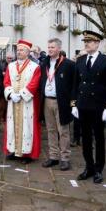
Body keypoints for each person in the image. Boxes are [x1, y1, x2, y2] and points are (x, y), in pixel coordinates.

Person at [72, 30, 106, 184]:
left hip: (98, 106)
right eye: (85, 42)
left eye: (89, 42)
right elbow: (75, 84)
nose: (86, 44)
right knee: (85, 138)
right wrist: (74, 104)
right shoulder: (81, 60)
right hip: (83, 105)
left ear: (97, 43)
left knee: (99, 138)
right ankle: (88, 167)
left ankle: (98, 169)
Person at [40, 38, 76, 171]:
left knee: (63, 131)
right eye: (49, 47)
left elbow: (74, 85)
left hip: (62, 102)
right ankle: (53, 156)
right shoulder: (44, 63)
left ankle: (65, 158)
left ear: (59, 49)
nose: (50, 49)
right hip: (47, 101)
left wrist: (73, 103)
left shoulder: (69, 64)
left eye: (53, 47)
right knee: (50, 130)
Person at [3, 39, 41, 163]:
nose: (19, 52)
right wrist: (11, 94)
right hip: (13, 101)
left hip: (27, 102)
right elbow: (6, 81)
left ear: (28, 52)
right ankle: (13, 151)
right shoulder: (11, 66)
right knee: (12, 125)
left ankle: (26, 154)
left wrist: (22, 94)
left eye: (22, 50)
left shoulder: (35, 67)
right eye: (18, 50)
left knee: (28, 127)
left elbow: (34, 84)